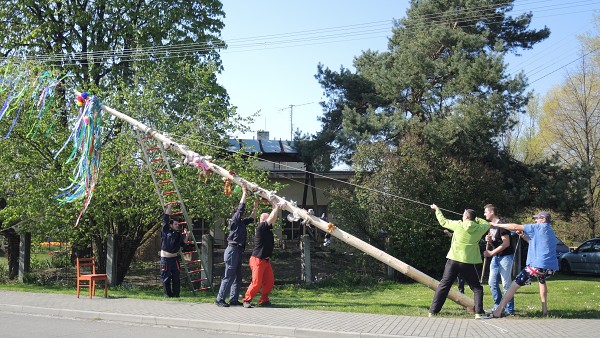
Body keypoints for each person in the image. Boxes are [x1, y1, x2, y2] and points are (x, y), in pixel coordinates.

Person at [491, 211, 558, 318]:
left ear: (544, 219)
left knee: (513, 285)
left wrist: (497, 224)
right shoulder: (550, 231)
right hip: (550, 268)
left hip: (536, 265)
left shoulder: (537, 227)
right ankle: (545, 310)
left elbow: (514, 226)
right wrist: (522, 235)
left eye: (537, 218)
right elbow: (532, 242)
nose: (535, 220)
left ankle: (498, 311)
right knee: (542, 281)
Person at [429, 204, 490, 319]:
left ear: (466, 217)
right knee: (477, 288)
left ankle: (433, 311)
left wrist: (437, 209)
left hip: (453, 260)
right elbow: (486, 223)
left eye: (464, 215)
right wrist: (475, 218)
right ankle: (479, 313)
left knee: (444, 286)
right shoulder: (480, 228)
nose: (462, 216)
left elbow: (443, 222)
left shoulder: (458, 225)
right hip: (468, 262)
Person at [215, 184, 258, 307]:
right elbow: (240, 208)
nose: (242, 215)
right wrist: (244, 193)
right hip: (232, 250)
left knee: (237, 277)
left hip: (238, 250)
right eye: (240, 214)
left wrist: (255, 206)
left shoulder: (242, 223)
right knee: (228, 276)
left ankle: (233, 299)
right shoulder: (235, 220)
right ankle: (220, 299)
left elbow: (252, 217)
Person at [242, 200, 283, 308]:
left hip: (265, 260)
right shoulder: (261, 228)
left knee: (269, 282)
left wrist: (275, 206)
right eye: (268, 218)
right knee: (256, 282)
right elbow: (271, 218)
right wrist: (276, 207)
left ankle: (264, 300)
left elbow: (273, 218)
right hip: (257, 260)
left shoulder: (268, 229)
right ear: (264, 220)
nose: (272, 220)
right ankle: (247, 300)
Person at [482, 204, 515, 315]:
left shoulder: (502, 224)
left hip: (506, 257)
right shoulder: (491, 226)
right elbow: (497, 243)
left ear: (492, 212)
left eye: (486, 212)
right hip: (496, 257)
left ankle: (509, 309)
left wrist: (491, 252)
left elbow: (506, 243)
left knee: (506, 284)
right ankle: (498, 306)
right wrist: (490, 241)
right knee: (492, 282)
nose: (484, 214)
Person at [160, 204, 188, 298]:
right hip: (166, 259)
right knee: (166, 278)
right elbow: (166, 218)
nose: (177, 226)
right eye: (175, 224)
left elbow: (183, 244)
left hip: (175, 259)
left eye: (178, 224)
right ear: (171, 225)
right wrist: (169, 207)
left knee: (176, 278)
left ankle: (176, 295)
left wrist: (187, 236)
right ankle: (167, 295)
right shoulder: (165, 231)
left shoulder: (178, 234)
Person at [443, 229, 465, 293]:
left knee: (461, 276)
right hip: (455, 258)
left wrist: (448, 232)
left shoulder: (463, 236)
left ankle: (461, 290)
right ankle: (460, 290)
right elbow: (452, 235)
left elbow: (453, 235)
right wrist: (447, 232)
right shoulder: (458, 234)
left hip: (462, 259)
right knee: (457, 275)